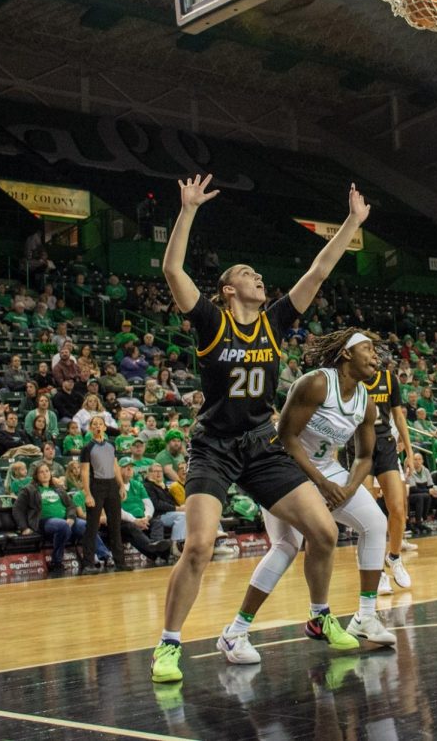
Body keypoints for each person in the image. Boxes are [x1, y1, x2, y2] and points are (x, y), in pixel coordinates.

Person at [152, 174, 369, 685]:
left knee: (323, 531)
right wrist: (187, 211)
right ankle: (168, 646)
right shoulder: (211, 321)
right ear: (229, 289)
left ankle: (318, 615)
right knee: (199, 546)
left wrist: (352, 224)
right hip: (215, 448)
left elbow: (318, 271)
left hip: (262, 444)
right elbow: (171, 268)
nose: (258, 278)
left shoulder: (273, 322)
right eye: (248, 274)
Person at [216, 329, 395, 667]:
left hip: (326, 471)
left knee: (375, 523)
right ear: (346, 354)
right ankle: (235, 631)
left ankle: (366, 617)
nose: (376, 357)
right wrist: (319, 484)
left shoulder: (366, 403)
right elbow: (285, 435)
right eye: (369, 349)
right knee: (286, 547)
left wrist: (348, 489)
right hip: (283, 468)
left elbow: (364, 457)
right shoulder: (315, 383)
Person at [361, 363, 414, 592]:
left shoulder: (389, 379)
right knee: (369, 516)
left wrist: (410, 452)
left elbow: (399, 417)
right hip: (360, 447)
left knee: (398, 510)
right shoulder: (350, 378)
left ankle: (393, 557)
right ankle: (377, 573)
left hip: (386, 444)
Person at [12, 462, 84, 571]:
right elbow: (17, 509)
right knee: (63, 526)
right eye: (41, 472)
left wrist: (71, 517)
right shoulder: (28, 490)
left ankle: (103, 555)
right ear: (36, 475)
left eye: (47, 471)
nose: (45, 474)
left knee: (86, 525)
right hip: (44, 521)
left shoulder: (58, 488)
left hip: (66, 520)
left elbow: (71, 505)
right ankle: (56, 561)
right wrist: (24, 527)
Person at [80, 414, 129, 573]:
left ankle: (120, 562)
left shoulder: (111, 445)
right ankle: (88, 563)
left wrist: (121, 485)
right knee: (92, 527)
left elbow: (115, 467)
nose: (98, 426)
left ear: (105, 427)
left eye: (100, 424)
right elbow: (85, 472)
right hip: (96, 486)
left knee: (115, 525)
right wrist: (87, 494)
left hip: (111, 486)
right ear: (91, 428)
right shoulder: (87, 448)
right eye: (94, 424)